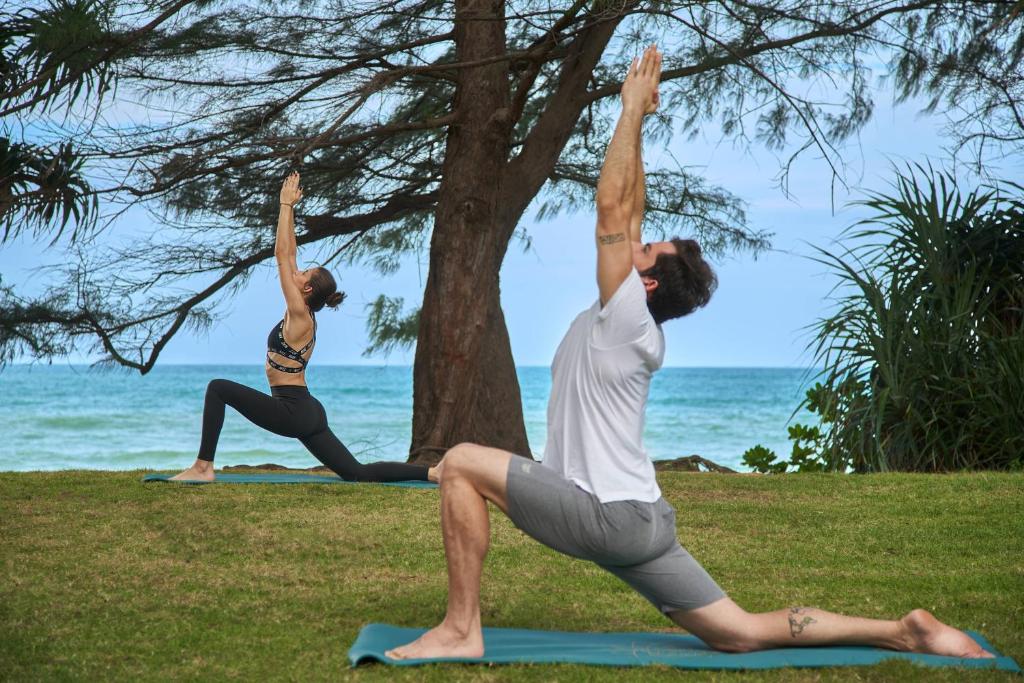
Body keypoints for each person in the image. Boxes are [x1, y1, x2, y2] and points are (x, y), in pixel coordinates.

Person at [385, 46, 991, 661]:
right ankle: (903, 630)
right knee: (740, 632)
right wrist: (642, 122)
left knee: (460, 460)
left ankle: (461, 629)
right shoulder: (636, 325)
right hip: (645, 517)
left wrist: (626, 110)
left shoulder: (622, 317)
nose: (636, 242)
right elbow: (632, 206)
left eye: (645, 251)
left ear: (643, 283)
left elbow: (611, 208)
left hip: (604, 514)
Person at [171, 172, 435, 484]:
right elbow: (289, 254)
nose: (298, 272)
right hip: (306, 409)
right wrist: (290, 210)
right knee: (357, 473)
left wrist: (285, 204)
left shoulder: (299, 313)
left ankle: (203, 467)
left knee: (218, 388)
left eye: (304, 273)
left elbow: (282, 257)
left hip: (293, 410)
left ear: (307, 289)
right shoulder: (303, 313)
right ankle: (432, 472)